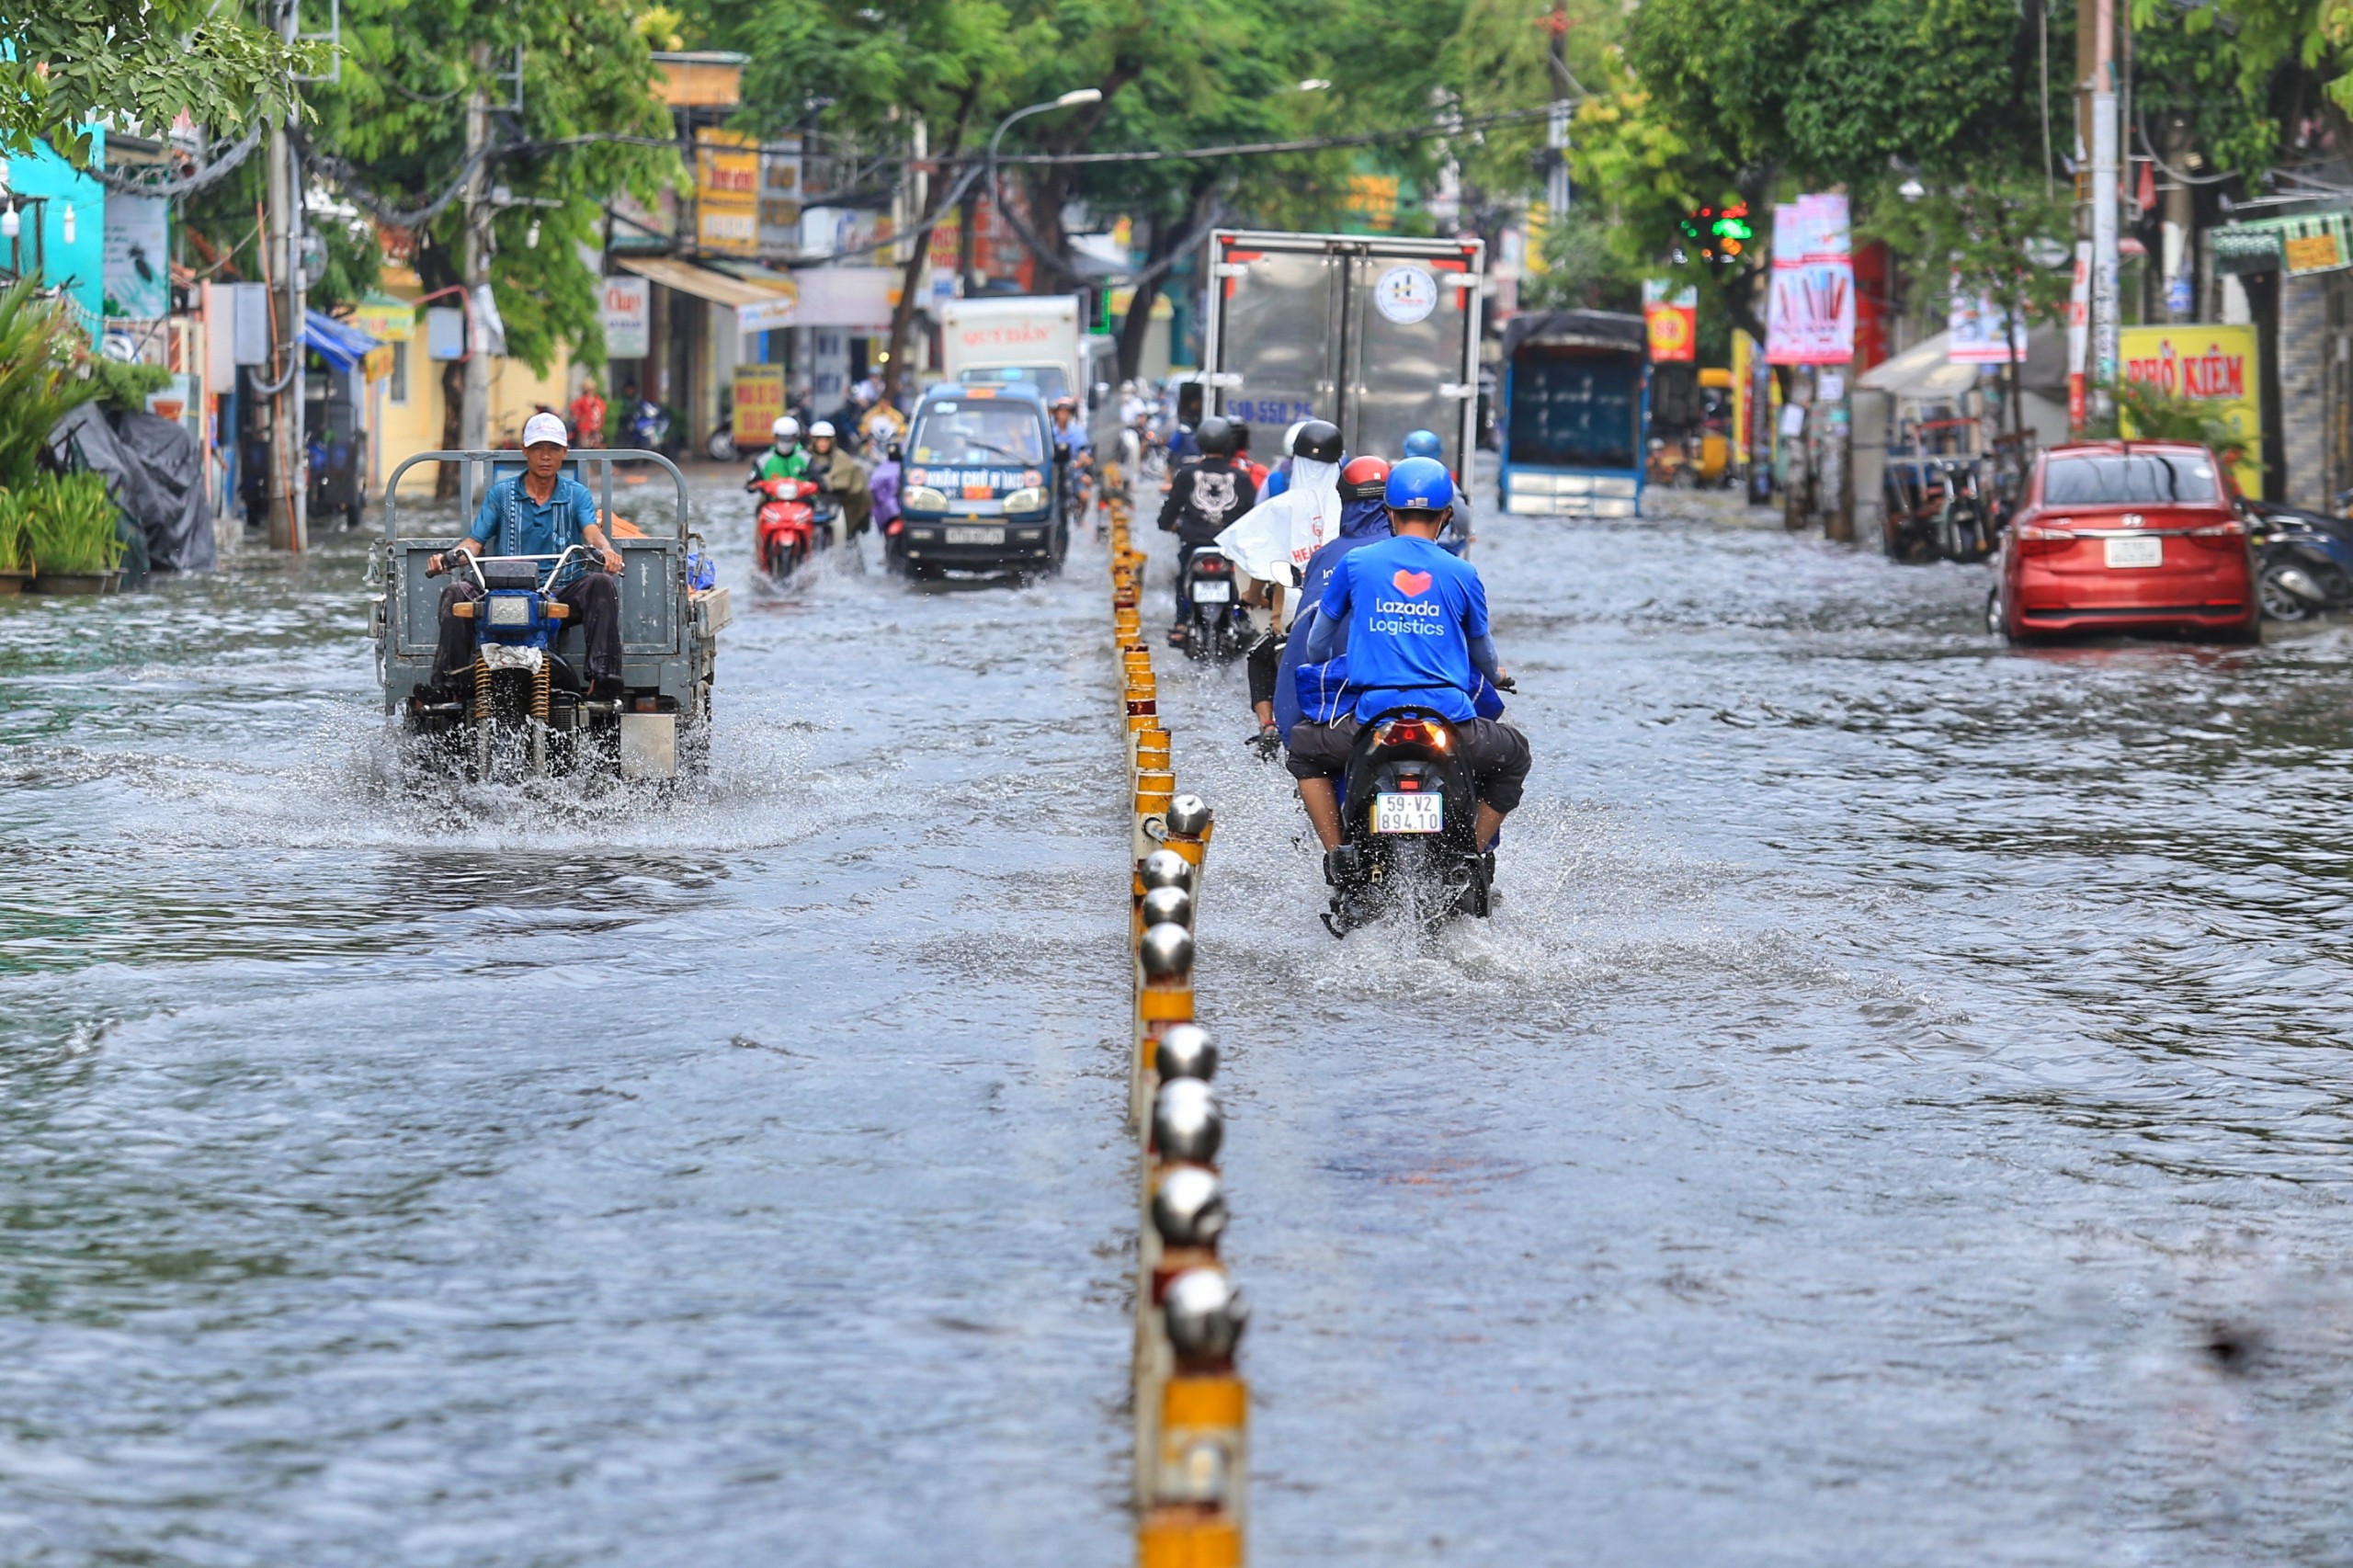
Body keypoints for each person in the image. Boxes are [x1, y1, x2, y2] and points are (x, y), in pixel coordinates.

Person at [1284, 457, 1529, 871]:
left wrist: (1328, 667)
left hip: (1371, 719)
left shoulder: (1356, 563)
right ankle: (1471, 853)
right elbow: (1483, 651)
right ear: (1447, 515)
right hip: (1450, 721)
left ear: (1389, 512)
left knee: (1304, 750)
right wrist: (1496, 676)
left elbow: (1317, 641)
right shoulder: (1462, 572)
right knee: (1516, 755)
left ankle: (1338, 855)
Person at [426, 411, 626, 701]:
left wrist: (607, 551)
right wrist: (447, 558)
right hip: (502, 595)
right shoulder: (500, 494)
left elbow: (591, 532)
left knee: (601, 584)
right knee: (456, 592)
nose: (545, 456)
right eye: (537, 448)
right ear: (524, 452)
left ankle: (603, 680)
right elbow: (474, 542)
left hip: (558, 594)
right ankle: (447, 689)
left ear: (564, 453)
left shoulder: (577, 494)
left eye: (553, 449)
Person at [1262, 454, 1393, 755]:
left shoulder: (1330, 557)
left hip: (1349, 706)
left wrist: (1289, 724)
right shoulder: (1438, 562)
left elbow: (1311, 641)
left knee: (1303, 755)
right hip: (1431, 708)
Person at [1155, 415, 1256, 646]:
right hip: (1229, 550)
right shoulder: (1241, 478)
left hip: (1194, 545)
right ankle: (1241, 617)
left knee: (1182, 577)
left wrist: (1168, 525)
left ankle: (1181, 623)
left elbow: (1169, 512)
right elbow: (1253, 516)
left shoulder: (1187, 474)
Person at [807, 419, 872, 540]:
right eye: (819, 440)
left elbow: (850, 482)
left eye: (826, 440)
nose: (822, 444)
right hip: (810, 502)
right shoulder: (805, 458)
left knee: (842, 528)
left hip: (837, 502)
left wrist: (828, 484)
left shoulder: (841, 458)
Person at [747, 416, 810, 489]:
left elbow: (817, 477)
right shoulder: (763, 460)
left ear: (796, 438)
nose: (786, 443)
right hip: (771, 498)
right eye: (782, 438)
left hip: (802, 498)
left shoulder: (806, 458)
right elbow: (751, 482)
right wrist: (754, 485)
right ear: (775, 438)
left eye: (790, 439)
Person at [568, 379, 607, 448]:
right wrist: (581, 418)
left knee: (597, 447)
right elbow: (573, 409)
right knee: (585, 448)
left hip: (596, 429)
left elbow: (602, 412)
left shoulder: (598, 401)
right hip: (585, 430)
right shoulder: (581, 400)